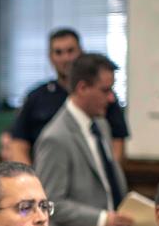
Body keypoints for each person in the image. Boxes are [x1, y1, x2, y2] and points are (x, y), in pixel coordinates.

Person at [35, 53, 133, 226]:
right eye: (105, 90)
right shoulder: (55, 138)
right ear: (82, 88)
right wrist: (102, 220)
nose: (111, 98)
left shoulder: (101, 125)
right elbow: (50, 203)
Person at [9, 28, 129, 165]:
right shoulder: (36, 97)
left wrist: (106, 176)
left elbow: (117, 141)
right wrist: (31, 181)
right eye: (58, 52)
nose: (66, 58)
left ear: (81, 52)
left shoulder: (102, 97)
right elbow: (18, 143)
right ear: (50, 57)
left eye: (70, 51)